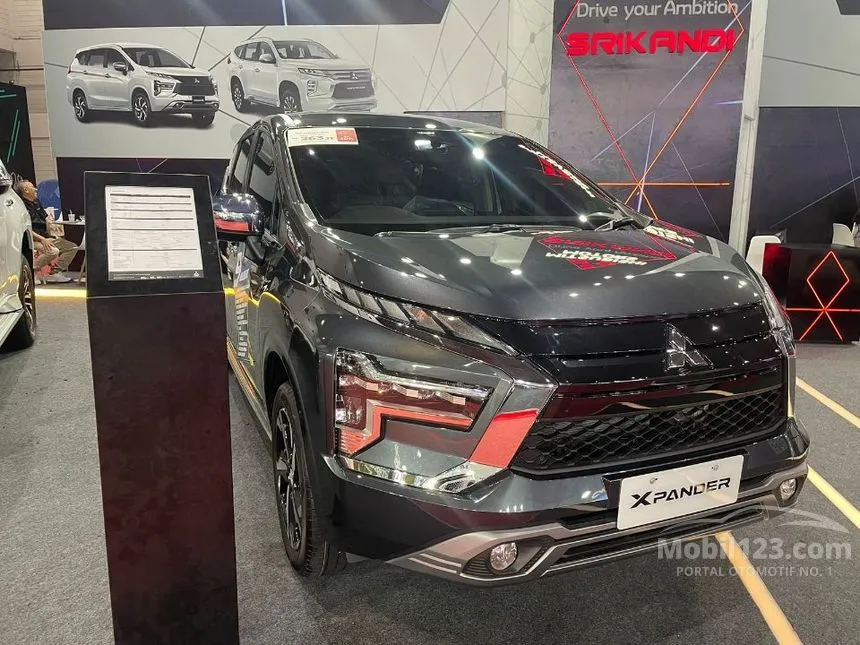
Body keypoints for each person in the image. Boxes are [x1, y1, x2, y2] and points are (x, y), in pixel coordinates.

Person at [14, 180, 76, 283]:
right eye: (32, 187)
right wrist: (43, 239)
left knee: (72, 247)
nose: (36, 189)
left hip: (45, 236)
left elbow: (46, 218)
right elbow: (26, 228)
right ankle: (31, 271)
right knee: (53, 251)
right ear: (26, 190)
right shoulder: (20, 207)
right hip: (31, 239)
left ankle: (54, 273)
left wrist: (52, 229)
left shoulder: (36, 202)